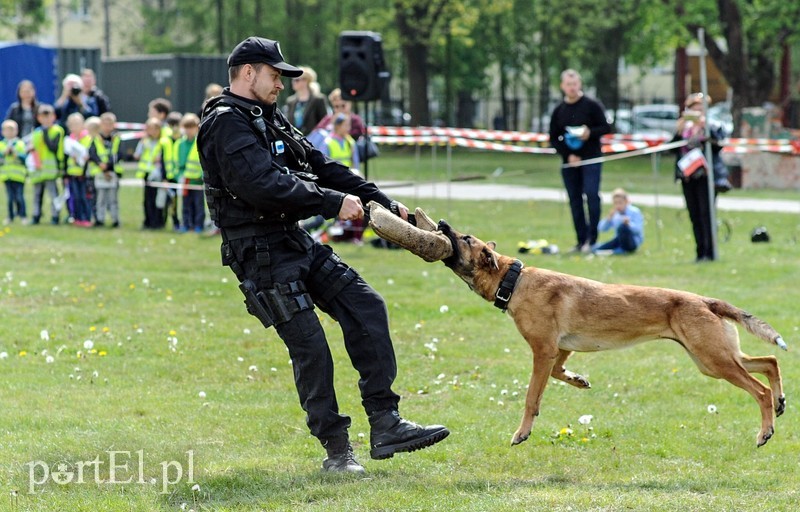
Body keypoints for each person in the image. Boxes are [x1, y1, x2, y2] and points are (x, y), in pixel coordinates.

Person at [197, 36, 449, 474]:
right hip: (260, 254)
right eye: (275, 75)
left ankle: (386, 423)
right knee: (311, 348)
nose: (281, 84)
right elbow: (260, 185)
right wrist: (331, 203)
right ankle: (337, 451)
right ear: (248, 72)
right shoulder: (225, 123)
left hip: (293, 240)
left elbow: (320, 164)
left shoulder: (268, 118)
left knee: (365, 306)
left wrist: (382, 202)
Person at [549, 69, 611, 253]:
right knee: (575, 200)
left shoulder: (592, 105)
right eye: (568, 84)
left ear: (580, 84)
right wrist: (568, 155)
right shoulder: (559, 110)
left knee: (592, 195)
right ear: (562, 86)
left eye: (575, 84)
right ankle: (580, 240)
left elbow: (606, 127)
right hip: (570, 162)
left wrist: (590, 133)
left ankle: (592, 240)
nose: (572, 87)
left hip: (591, 158)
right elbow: (553, 137)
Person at [672, 93, 731, 262]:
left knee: (707, 214)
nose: (697, 112)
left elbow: (719, 142)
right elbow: (671, 147)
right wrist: (682, 128)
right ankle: (700, 253)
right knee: (694, 214)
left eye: (700, 109)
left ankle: (710, 252)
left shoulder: (711, 125)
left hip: (706, 176)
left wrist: (705, 127)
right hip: (688, 176)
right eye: (693, 109)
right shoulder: (683, 128)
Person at [28, 104, 65, 225]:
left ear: (53, 117)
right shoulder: (36, 132)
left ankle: (55, 216)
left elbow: (53, 147)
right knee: (37, 194)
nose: (46, 119)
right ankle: (36, 215)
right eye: (43, 116)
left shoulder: (57, 130)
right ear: (39, 118)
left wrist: (45, 133)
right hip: (38, 169)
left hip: (51, 169)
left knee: (53, 193)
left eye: (48, 116)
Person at [134, 117, 172, 229]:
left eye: (155, 129)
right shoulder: (145, 142)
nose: (152, 131)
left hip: (159, 176)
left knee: (159, 201)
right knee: (148, 200)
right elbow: (137, 155)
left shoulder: (164, 142)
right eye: (150, 129)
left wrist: (166, 178)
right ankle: (148, 221)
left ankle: (158, 222)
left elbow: (167, 161)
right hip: (148, 175)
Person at [88, 113, 122, 228]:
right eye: (105, 124)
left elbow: (118, 154)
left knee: (113, 199)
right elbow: (92, 153)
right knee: (100, 199)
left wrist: (108, 167)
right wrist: (100, 165)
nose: (107, 127)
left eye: (110, 124)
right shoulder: (96, 139)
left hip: (112, 173)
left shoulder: (116, 138)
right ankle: (99, 219)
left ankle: (115, 219)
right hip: (99, 173)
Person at [174, 113, 205, 233]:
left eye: (191, 127)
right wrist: (178, 176)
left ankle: (198, 225)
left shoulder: (200, 142)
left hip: (197, 180)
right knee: (185, 204)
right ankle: (186, 224)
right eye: (186, 127)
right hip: (184, 179)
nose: (188, 130)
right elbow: (176, 161)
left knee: (198, 204)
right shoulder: (179, 144)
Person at [592, 188, 644, 255]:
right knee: (595, 249)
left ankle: (618, 251)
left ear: (626, 201)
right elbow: (601, 228)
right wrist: (608, 218)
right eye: (615, 203)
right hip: (618, 240)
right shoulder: (615, 214)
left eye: (620, 203)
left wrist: (629, 224)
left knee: (623, 227)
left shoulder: (635, 212)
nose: (618, 205)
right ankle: (615, 250)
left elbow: (638, 230)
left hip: (632, 241)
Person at [63, 112, 92, 226]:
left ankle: (86, 217)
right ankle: (77, 217)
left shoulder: (87, 138)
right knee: (75, 197)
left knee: (85, 196)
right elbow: (65, 157)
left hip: (84, 174)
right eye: (72, 124)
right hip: (72, 173)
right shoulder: (68, 140)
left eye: (77, 123)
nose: (74, 126)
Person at [284, 66, 328, 135]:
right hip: (295, 140)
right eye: (293, 80)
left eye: (297, 80)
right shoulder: (290, 101)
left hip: (313, 141)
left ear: (305, 81)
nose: (293, 82)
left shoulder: (318, 100)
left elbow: (324, 122)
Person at [1, 120, 28, 224]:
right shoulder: (2, 144)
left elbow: (24, 157)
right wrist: (4, 153)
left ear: (16, 131)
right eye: (6, 130)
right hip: (6, 176)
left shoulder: (20, 144)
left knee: (20, 196)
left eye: (11, 130)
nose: (9, 133)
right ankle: (10, 216)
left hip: (19, 176)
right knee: (10, 197)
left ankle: (23, 215)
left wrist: (15, 153)